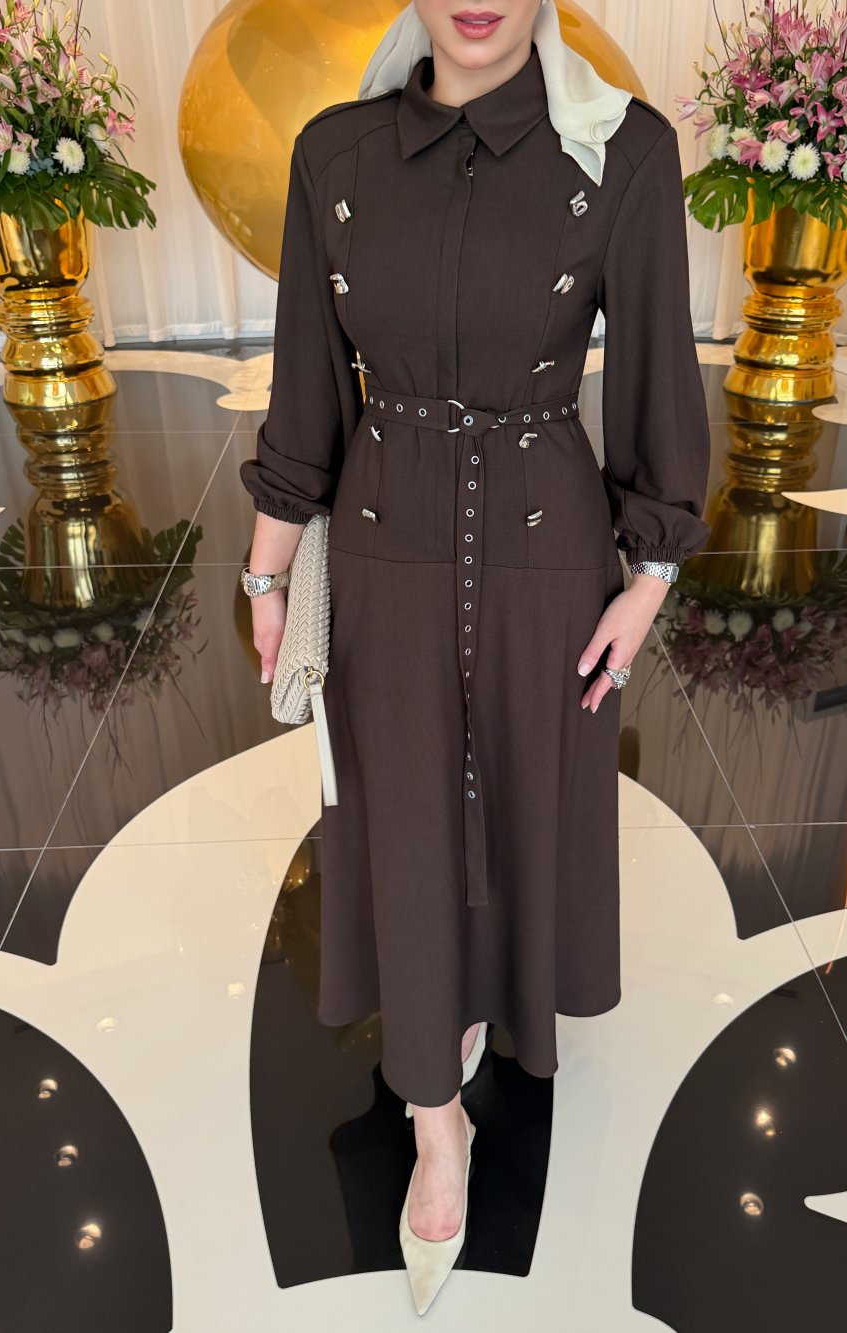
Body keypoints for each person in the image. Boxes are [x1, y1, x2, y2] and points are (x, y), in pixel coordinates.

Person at [239, 0, 711, 1314]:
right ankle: (434, 1122)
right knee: (401, 821)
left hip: (548, 549)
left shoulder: (623, 153)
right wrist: (266, 573)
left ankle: (482, 997)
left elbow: (659, 376)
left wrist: (650, 577)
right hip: (383, 545)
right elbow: (305, 390)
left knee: (517, 803)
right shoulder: (334, 155)